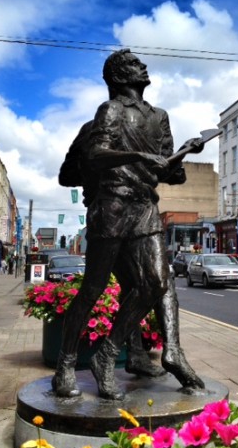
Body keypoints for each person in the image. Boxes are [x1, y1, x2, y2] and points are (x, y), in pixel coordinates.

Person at [53, 49, 205, 400]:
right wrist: (133, 157)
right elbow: (89, 158)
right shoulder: (109, 112)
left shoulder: (160, 117)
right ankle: (65, 363)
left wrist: (182, 153)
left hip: (144, 207)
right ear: (119, 77)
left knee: (155, 283)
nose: (145, 67)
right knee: (92, 289)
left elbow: (171, 173)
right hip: (112, 207)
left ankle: (109, 354)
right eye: (136, 64)